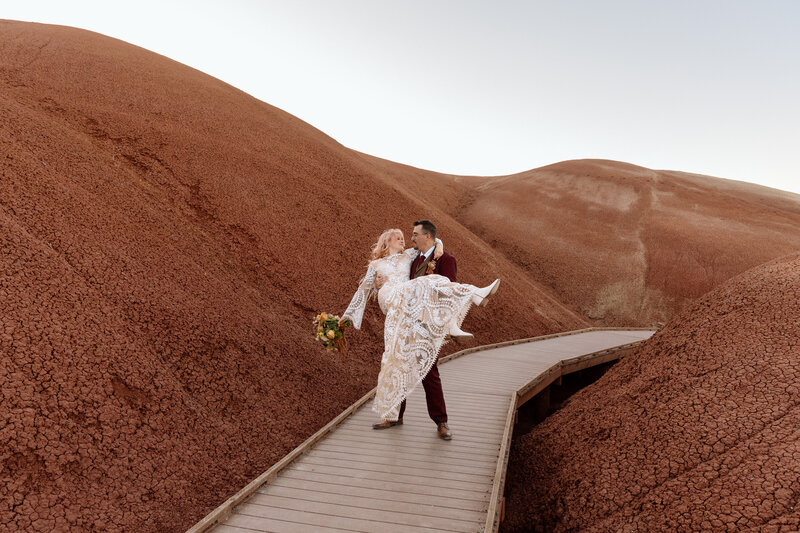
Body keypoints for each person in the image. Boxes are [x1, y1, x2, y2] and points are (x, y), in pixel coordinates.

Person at [340, 223, 500, 440]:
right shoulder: (378, 264)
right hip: (392, 304)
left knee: (421, 369)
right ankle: (392, 415)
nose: (404, 239)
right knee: (393, 361)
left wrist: (440, 247)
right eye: (398, 237)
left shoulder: (409, 256)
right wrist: (347, 319)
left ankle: (441, 422)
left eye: (407, 236)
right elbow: (362, 293)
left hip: (411, 316)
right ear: (386, 242)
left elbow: (433, 243)